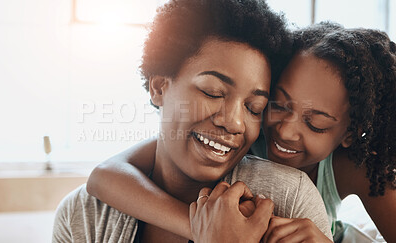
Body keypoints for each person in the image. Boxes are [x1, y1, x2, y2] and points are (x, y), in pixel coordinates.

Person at [86, 21, 396, 242]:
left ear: (350, 134)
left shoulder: (355, 169)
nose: (286, 131)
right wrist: (204, 232)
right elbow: (104, 176)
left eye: (316, 124)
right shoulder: (239, 133)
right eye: (277, 105)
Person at [52, 0, 332, 242]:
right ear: (159, 87)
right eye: (213, 92)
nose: (234, 123)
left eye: (254, 107)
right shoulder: (83, 212)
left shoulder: (288, 199)